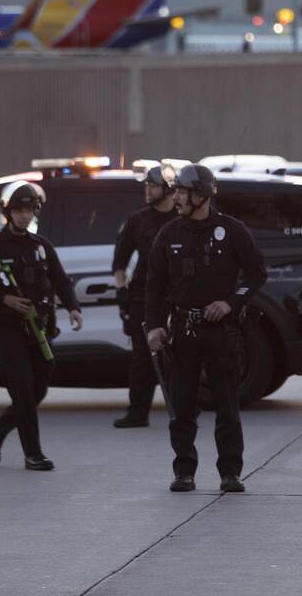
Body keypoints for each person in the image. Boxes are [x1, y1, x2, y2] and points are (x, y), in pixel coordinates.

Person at [146, 164, 267, 493]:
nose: (177, 198)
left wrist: (231, 302)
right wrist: (154, 326)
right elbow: (154, 284)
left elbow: (257, 274)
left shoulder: (232, 231)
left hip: (222, 333)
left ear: (201, 195)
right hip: (182, 334)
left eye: (182, 192)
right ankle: (184, 470)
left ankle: (230, 472)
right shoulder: (169, 234)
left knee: (227, 406)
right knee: (182, 407)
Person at [0, 181, 83, 470]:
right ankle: (34, 453)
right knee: (23, 389)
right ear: (7, 212)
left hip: (39, 328)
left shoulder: (41, 246)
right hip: (6, 328)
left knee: (38, 389)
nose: (25, 216)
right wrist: (4, 299)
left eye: (29, 210)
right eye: (19, 210)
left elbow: (60, 279)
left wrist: (73, 308)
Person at [112, 164, 177, 428]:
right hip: (142, 298)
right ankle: (137, 413)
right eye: (146, 186)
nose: (148, 190)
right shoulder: (137, 220)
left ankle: (183, 411)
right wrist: (122, 295)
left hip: (176, 299)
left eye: (153, 186)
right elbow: (120, 261)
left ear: (169, 189)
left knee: (178, 357)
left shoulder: (182, 219)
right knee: (142, 358)